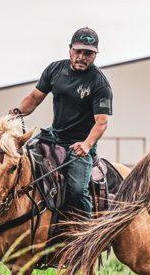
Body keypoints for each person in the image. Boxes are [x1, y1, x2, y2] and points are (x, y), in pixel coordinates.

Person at [10, 27, 113, 216]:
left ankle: (86, 229)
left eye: (88, 53)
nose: (82, 57)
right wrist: (17, 113)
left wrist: (87, 144)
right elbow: (34, 98)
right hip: (53, 136)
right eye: (78, 51)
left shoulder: (100, 83)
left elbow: (101, 122)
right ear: (70, 49)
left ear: (95, 55)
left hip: (79, 145)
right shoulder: (55, 69)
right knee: (19, 160)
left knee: (77, 190)